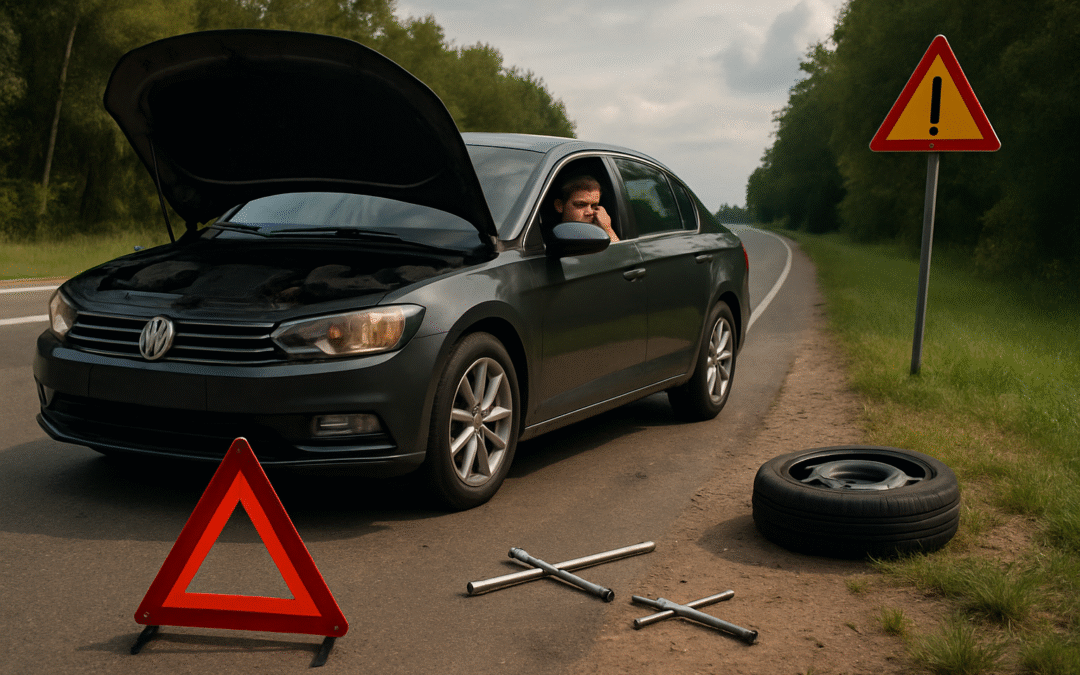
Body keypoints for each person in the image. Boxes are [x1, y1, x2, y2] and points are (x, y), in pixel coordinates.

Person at [553, 174, 619, 242]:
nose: (590, 212)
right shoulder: (548, 239)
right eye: (581, 205)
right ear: (559, 206)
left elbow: (621, 252)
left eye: (594, 206)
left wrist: (608, 229)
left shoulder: (598, 234)